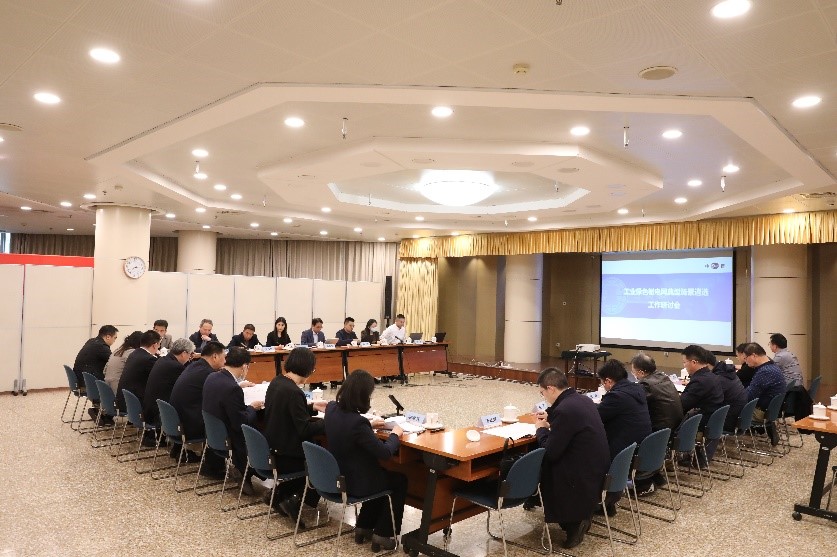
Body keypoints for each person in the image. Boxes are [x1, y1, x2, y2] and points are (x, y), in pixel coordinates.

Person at [324, 370, 407, 551]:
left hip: (339, 478)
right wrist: (395, 434)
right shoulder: (358, 423)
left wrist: (368, 425)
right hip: (356, 484)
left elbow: (347, 427)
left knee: (378, 475)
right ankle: (383, 534)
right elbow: (385, 453)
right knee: (398, 480)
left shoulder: (331, 409)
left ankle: (364, 526)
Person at [533, 367, 609, 550]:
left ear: (551, 388)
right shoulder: (582, 399)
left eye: (542, 392)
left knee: (543, 464)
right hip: (596, 466)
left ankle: (573, 523)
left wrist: (541, 429)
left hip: (581, 473)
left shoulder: (565, 410)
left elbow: (551, 452)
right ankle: (578, 517)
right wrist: (552, 418)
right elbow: (570, 422)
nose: (543, 397)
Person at [262, 347, 328, 518]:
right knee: (324, 460)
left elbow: (287, 410)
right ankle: (294, 499)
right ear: (307, 369)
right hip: (287, 454)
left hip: (274, 446)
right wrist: (328, 421)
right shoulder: (294, 392)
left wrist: (312, 407)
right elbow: (304, 429)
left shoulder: (277, 382)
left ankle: (279, 494)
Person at [202, 347, 264, 496]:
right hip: (230, 437)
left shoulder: (212, 377)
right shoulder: (232, 388)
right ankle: (248, 471)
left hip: (213, 434)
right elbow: (241, 422)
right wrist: (252, 408)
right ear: (244, 366)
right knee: (261, 425)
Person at [170, 341, 227, 476]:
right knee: (220, 418)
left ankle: (180, 450)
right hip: (188, 423)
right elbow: (221, 397)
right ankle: (212, 467)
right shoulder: (207, 373)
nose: (225, 361)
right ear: (215, 356)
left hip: (176, 421)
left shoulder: (195, 365)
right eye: (224, 357)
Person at [596, 359, 652, 461]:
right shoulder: (638, 388)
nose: (603, 386)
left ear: (608, 381)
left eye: (602, 383)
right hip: (641, 447)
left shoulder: (616, 396)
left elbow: (595, 416)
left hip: (624, 454)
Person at [679, 345, 725, 463]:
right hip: (711, 422)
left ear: (694, 362)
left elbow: (682, 405)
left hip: (700, 424)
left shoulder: (700, 381)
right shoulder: (712, 376)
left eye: (684, 362)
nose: (684, 366)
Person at [143, 337, 195, 430]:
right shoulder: (176, 367)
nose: (190, 358)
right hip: (159, 413)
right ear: (184, 353)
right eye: (190, 355)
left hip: (151, 408)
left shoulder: (163, 360)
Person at [743, 342, 786, 446]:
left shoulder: (765, 372)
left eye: (745, 358)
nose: (745, 361)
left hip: (760, 413)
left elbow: (749, 397)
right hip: (770, 410)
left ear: (753, 355)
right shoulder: (772, 367)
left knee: (724, 409)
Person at [630, 354, 683, 433]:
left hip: (661, 432)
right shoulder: (663, 377)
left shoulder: (646, 385)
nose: (633, 374)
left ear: (641, 373)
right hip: (675, 426)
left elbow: (633, 405)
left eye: (633, 372)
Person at [115, 330, 161, 415]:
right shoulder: (149, 359)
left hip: (125, 400)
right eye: (159, 345)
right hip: (135, 403)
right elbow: (159, 375)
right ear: (155, 345)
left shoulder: (134, 353)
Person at [710, 354, 748, 432]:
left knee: (693, 414)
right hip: (736, 416)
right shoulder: (730, 374)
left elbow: (708, 400)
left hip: (728, 421)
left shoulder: (719, 379)